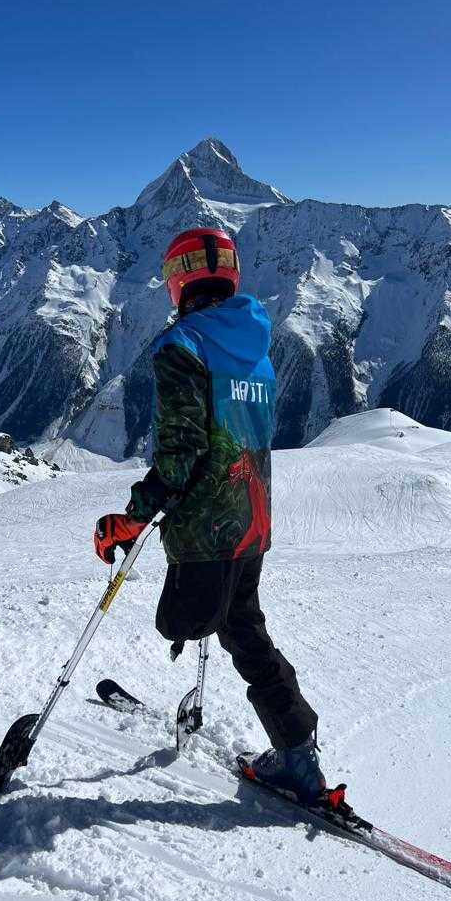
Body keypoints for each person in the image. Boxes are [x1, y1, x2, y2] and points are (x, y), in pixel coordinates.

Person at [93, 227, 325, 804]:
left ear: (178, 281)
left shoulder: (182, 345)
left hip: (206, 530)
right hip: (252, 521)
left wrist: (133, 517)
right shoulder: (257, 348)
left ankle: (297, 753)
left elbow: (180, 452)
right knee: (242, 627)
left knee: (185, 621)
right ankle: (297, 752)